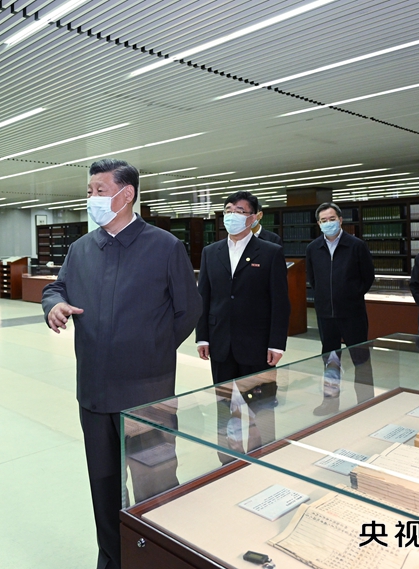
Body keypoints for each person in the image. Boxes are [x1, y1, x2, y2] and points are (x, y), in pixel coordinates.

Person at [41, 158, 202, 569]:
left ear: (126, 194)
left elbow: (188, 309)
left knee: (155, 482)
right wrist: (53, 305)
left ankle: (160, 560)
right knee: (105, 487)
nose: (91, 198)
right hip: (94, 394)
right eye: (89, 191)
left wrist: (151, 349)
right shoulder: (81, 249)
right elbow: (56, 287)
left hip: (147, 394)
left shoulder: (165, 247)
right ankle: (113, 559)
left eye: (100, 190)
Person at [196, 190, 290, 381]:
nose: (232, 216)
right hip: (220, 342)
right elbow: (203, 297)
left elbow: (280, 302)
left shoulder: (270, 252)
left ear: (253, 218)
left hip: (257, 343)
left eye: (239, 211)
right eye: (228, 211)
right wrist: (202, 337)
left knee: (260, 397)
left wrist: (277, 344)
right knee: (223, 397)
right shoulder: (210, 252)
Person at [305, 202, 375, 415]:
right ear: (318, 224)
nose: (328, 223)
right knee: (330, 360)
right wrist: (325, 297)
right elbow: (313, 279)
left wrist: (351, 295)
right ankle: (330, 401)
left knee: (360, 359)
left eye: (332, 219)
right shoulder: (313, 248)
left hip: (353, 312)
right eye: (323, 220)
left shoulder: (356, 245)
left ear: (340, 220)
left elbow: (367, 276)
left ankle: (366, 402)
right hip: (325, 313)